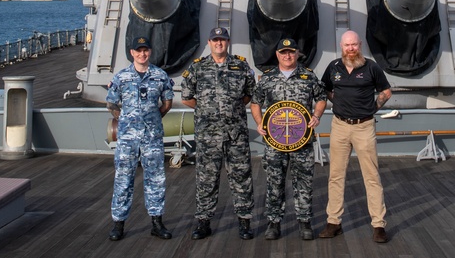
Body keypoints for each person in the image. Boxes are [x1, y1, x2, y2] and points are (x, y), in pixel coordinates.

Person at [180, 27, 257, 240]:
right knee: (207, 179)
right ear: (209, 42)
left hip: (236, 135)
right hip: (208, 135)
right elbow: (187, 97)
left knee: (241, 177)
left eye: (222, 40)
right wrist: (207, 110)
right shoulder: (197, 68)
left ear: (228, 42)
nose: (219, 43)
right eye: (215, 40)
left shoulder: (241, 66)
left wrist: (231, 110)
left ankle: (244, 222)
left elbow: (249, 94)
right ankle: (204, 223)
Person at [318, 30, 392, 244]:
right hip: (340, 125)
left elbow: (386, 92)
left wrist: (372, 107)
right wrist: (338, 101)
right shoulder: (334, 67)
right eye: (347, 45)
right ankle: (334, 222)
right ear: (341, 46)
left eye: (354, 45)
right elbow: (326, 90)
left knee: (371, 176)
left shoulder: (371, 67)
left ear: (360, 45)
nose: (351, 49)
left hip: (364, 126)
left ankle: (378, 224)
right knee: (335, 176)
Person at [250, 38, 327, 241]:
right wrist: (260, 123)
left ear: (297, 53)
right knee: (274, 181)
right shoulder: (267, 78)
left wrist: (317, 115)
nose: (287, 56)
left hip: (302, 140)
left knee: (304, 182)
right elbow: (255, 103)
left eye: (291, 52)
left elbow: (321, 97)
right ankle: (274, 223)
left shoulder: (308, 76)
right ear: (277, 54)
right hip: (274, 142)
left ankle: (304, 222)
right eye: (283, 52)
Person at [105, 36, 175, 241]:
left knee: (155, 179)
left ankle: (157, 222)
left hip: (152, 137)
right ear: (132, 53)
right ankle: (118, 223)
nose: (142, 54)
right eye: (139, 51)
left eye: (145, 50)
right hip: (127, 138)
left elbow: (167, 102)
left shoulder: (160, 76)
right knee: (123, 179)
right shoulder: (121, 77)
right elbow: (111, 104)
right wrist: (127, 121)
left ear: (149, 52)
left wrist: (152, 119)